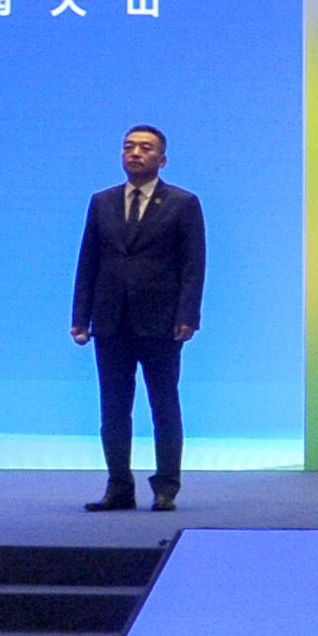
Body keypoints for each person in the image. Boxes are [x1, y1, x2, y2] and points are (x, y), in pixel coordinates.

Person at [70, 125, 203, 512]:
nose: (135, 153)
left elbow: (193, 266)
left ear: (162, 159)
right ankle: (119, 487)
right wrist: (80, 316)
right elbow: (88, 261)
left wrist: (188, 315)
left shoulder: (183, 203)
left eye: (145, 148)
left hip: (162, 322)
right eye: (128, 147)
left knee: (164, 406)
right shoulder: (102, 202)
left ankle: (166, 487)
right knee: (113, 408)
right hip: (110, 320)